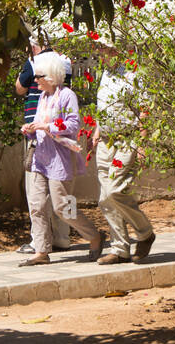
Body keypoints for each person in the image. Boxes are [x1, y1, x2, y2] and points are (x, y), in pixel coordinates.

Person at [19, 51, 105, 266]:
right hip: (40, 156)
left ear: (50, 77)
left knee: (63, 206)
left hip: (59, 159)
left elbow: (74, 125)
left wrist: (47, 126)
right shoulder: (42, 97)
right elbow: (39, 125)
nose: (35, 80)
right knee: (36, 205)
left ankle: (94, 235)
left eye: (38, 77)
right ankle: (41, 250)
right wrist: (30, 129)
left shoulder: (67, 96)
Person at [90, 48, 155, 265]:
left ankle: (145, 233)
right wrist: (97, 130)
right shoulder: (105, 73)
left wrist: (142, 144)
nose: (99, 52)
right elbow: (105, 106)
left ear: (115, 49)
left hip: (126, 141)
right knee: (104, 198)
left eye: (104, 48)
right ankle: (120, 249)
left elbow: (145, 109)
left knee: (115, 190)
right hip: (105, 143)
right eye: (98, 48)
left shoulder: (133, 74)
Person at [16, 33, 74, 254]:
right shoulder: (65, 60)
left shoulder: (34, 62)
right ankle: (63, 236)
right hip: (62, 133)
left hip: (38, 133)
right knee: (64, 190)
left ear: (34, 45)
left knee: (36, 191)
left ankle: (38, 241)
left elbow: (19, 87)